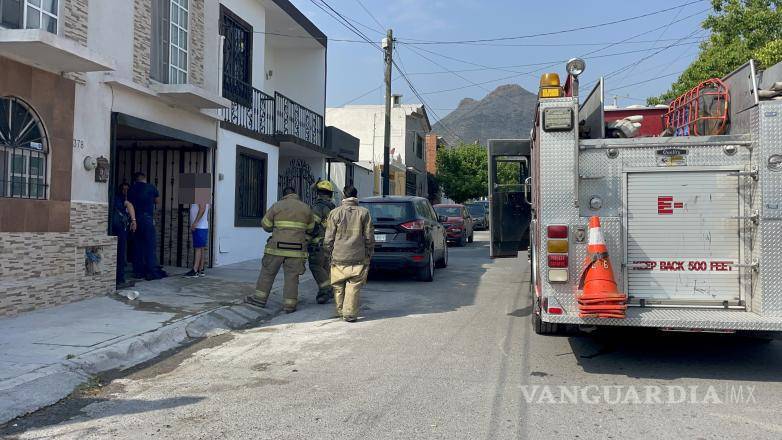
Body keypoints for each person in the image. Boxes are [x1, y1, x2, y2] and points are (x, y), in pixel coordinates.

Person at [246, 187, 315, 313]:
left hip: (276, 249)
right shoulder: (306, 208)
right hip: (297, 250)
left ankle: (259, 299)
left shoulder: (277, 206)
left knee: (267, 273)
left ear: (284, 195)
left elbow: (266, 225)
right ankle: (289, 305)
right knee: (292, 277)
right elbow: (311, 228)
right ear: (295, 194)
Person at [324, 185, 374, 322]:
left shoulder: (334, 213)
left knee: (338, 285)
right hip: (357, 256)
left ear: (343, 196)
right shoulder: (364, 213)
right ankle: (350, 313)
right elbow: (369, 236)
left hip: (338, 256)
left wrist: (328, 251)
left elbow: (329, 237)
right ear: (356, 196)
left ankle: (340, 311)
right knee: (353, 285)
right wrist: (369, 251)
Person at [128, 172, 164, 280]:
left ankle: (138, 271)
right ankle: (151, 270)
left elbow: (128, 203)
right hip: (147, 218)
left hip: (135, 219)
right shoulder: (151, 187)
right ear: (144, 178)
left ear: (135, 180)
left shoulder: (132, 189)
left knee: (137, 245)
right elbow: (157, 201)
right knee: (149, 245)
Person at [308, 180, 336, 304]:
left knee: (315, 266)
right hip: (330, 244)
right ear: (330, 194)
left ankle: (326, 290)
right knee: (325, 268)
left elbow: (313, 226)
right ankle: (328, 291)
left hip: (318, 244)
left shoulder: (318, 207)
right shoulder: (333, 208)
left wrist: (307, 238)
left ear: (318, 193)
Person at [112, 182, 137, 288]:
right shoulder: (120, 198)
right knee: (120, 253)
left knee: (118, 253)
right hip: (119, 228)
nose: (126, 191)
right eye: (124, 189)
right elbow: (129, 205)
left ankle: (117, 278)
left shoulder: (114, 198)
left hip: (114, 227)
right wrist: (134, 221)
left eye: (127, 189)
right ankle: (120, 279)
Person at [184, 201, 209, 278]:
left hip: (199, 227)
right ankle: (201, 269)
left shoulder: (201, 195)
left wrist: (195, 223)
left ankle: (195, 270)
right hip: (202, 226)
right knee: (201, 247)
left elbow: (202, 209)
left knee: (198, 248)